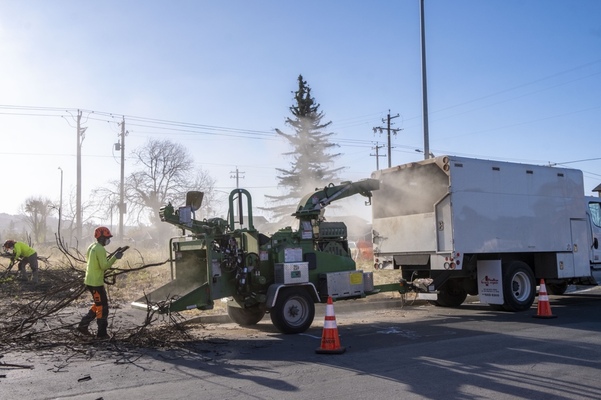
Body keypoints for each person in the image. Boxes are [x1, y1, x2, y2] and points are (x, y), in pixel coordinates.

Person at [77, 226, 123, 339]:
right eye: (107, 237)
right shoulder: (100, 249)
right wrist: (115, 258)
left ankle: (83, 325)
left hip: (90, 280)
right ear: (102, 238)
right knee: (102, 307)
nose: (108, 240)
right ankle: (101, 334)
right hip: (95, 283)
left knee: (100, 304)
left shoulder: (92, 247)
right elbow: (104, 266)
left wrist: (112, 256)